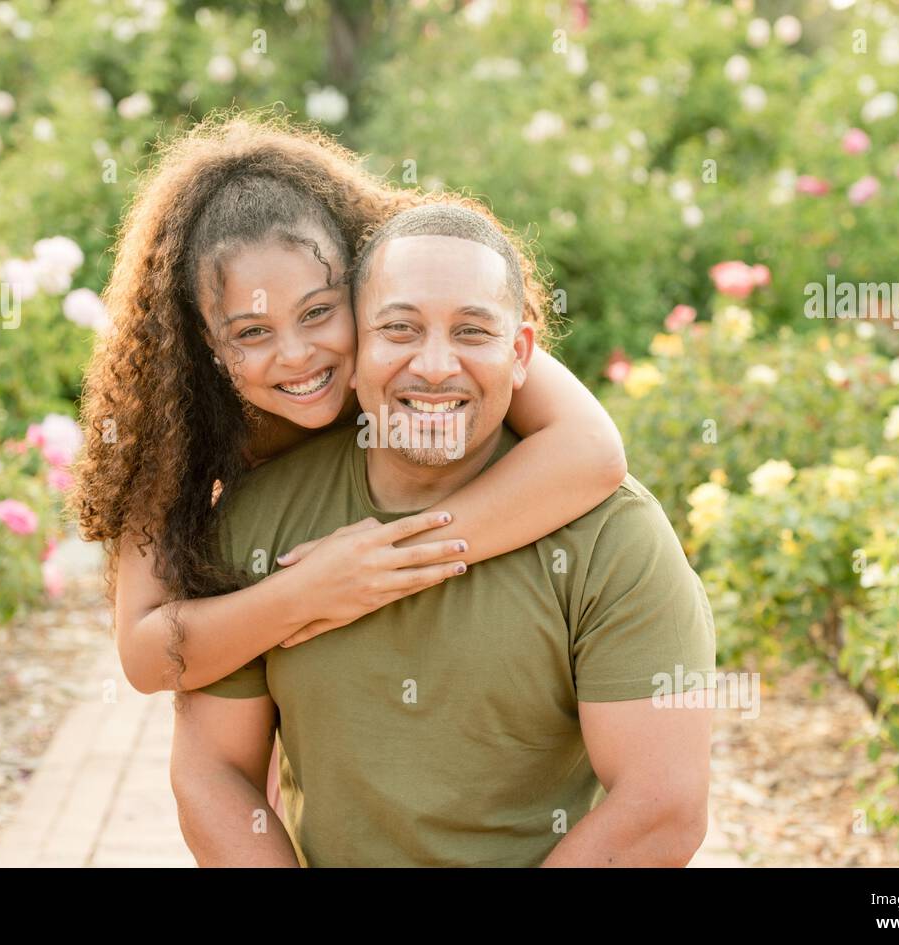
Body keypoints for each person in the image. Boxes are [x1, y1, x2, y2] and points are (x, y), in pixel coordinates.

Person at [70, 112, 628, 819]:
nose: (298, 355)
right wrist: (313, 590)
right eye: (251, 332)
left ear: (361, 284)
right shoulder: (171, 419)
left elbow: (592, 452)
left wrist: (390, 560)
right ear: (205, 340)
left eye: (319, 312)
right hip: (283, 655)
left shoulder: (418, 323)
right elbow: (146, 653)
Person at [171, 203, 717, 867]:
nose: (433, 365)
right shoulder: (259, 518)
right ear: (354, 348)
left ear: (519, 352)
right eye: (398, 328)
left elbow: (661, 806)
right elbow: (213, 771)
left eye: (471, 331)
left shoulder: (615, 537)